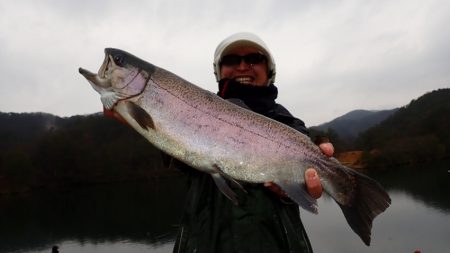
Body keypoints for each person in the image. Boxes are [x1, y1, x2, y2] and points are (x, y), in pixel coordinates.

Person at [172, 32, 334, 253]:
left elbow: (302, 189)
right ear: (218, 71)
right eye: (231, 60)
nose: (241, 67)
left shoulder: (290, 126)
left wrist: (292, 190)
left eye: (254, 59)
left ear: (270, 71)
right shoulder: (191, 114)